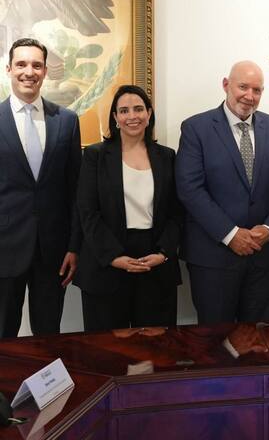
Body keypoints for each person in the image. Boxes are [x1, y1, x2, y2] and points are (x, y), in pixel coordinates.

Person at [176, 61, 269, 324]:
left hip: (262, 257)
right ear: (226, 85)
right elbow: (190, 189)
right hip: (213, 257)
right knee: (214, 344)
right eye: (243, 87)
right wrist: (230, 234)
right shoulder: (196, 128)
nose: (249, 96)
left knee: (259, 342)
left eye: (257, 90)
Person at [76, 85, 182, 331]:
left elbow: (177, 213)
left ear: (149, 113)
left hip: (155, 262)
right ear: (115, 117)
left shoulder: (167, 157)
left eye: (138, 109)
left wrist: (164, 252)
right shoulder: (95, 156)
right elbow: (87, 212)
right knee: (108, 352)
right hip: (107, 261)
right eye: (123, 111)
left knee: (154, 352)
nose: (132, 116)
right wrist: (114, 257)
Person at [0, 38, 81, 337]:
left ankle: (48, 387)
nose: (28, 71)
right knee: (3, 335)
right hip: (5, 248)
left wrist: (74, 245)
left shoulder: (67, 121)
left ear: (45, 71)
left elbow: (75, 190)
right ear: (9, 69)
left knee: (48, 333)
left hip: (53, 250)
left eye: (36, 65)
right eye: (21, 64)